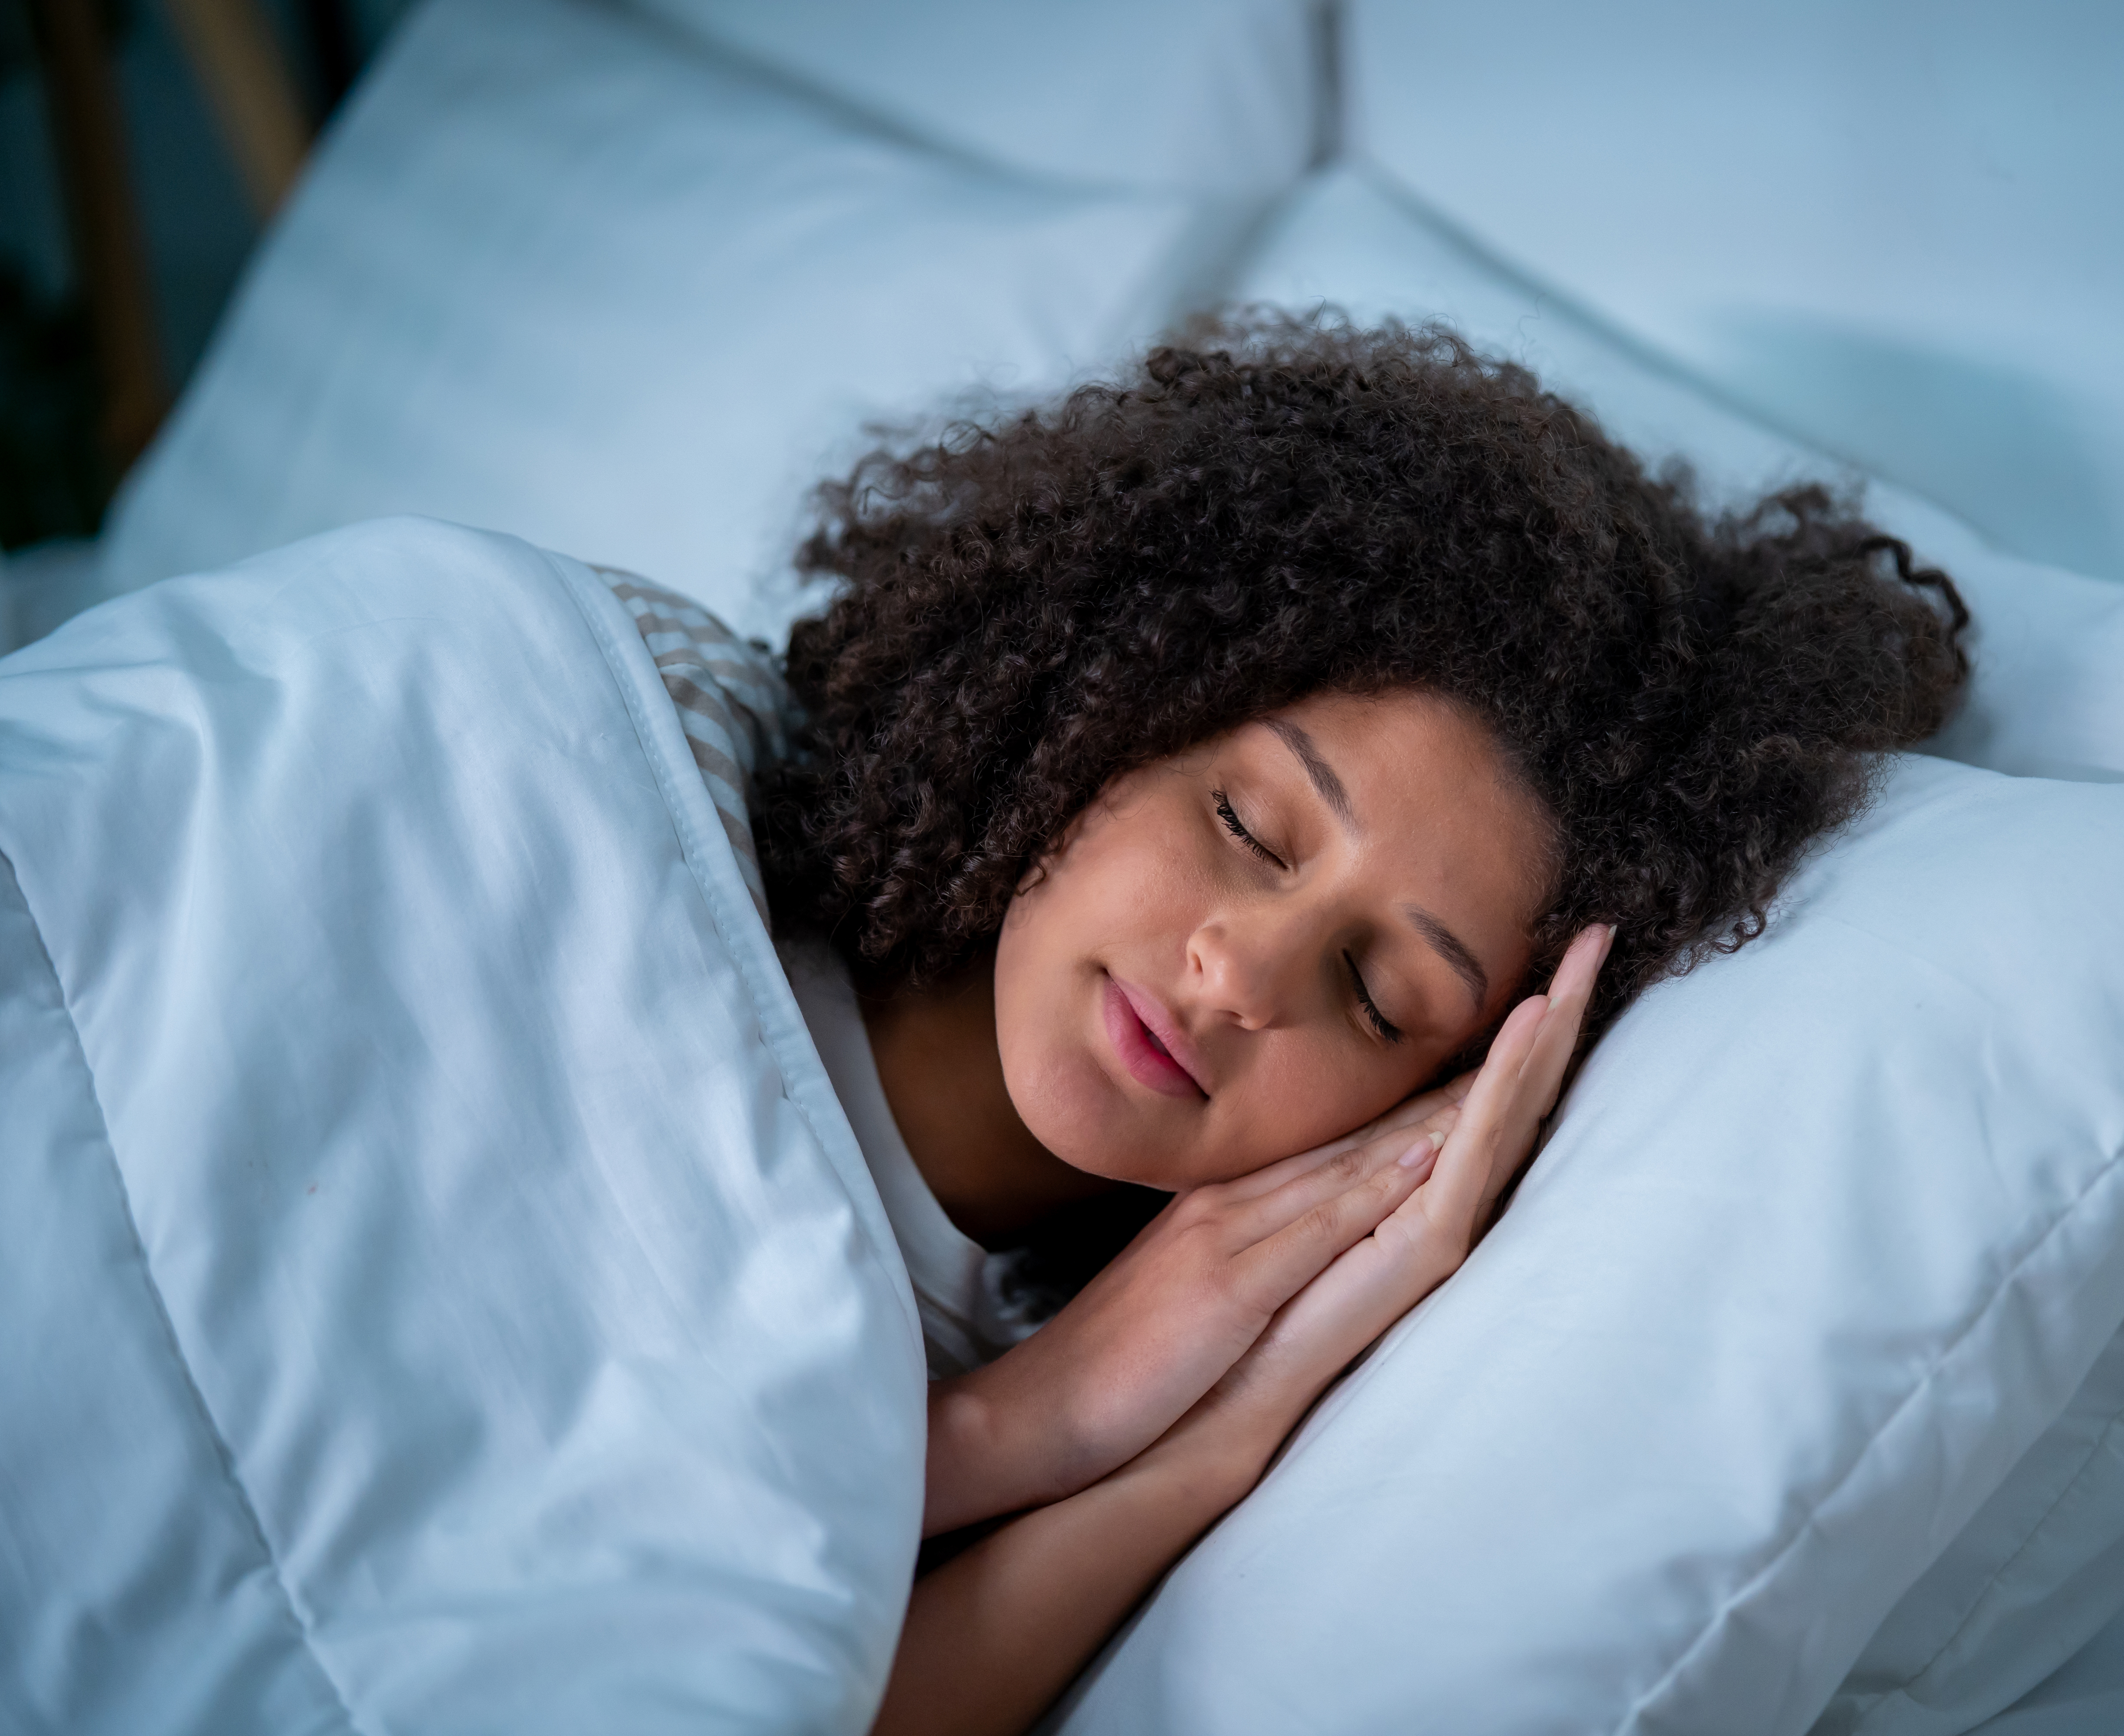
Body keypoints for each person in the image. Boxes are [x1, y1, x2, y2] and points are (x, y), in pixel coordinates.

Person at [741, 312, 1970, 1736]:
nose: (1247, 975)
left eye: (1384, 999)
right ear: (1113, 699)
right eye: (1247, 824)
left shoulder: (1053, 1358)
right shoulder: (646, 807)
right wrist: (1006, 1432)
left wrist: (1185, 1443)